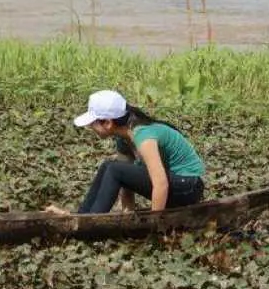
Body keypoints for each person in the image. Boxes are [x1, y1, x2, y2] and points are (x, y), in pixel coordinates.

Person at [47, 89, 205, 215]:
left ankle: (88, 220)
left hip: (189, 187)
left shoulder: (143, 136)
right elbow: (127, 177)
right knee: (108, 166)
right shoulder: (123, 137)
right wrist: (127, 211)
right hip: (176, 185)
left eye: (92, 123)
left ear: (108, 123)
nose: (90, 127)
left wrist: (154, 225)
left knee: (113, 168)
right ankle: (82, 216)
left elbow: (161, 184)